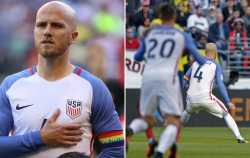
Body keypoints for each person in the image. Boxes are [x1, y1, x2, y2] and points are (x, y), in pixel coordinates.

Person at [0, 1, 124, 158]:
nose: (47, 31)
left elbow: (116, 150)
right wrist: (40, 138)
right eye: (41, 25)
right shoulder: (10, 85)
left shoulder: (94, 87)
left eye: (57, 26)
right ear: (34, 32)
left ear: (73, 36)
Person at [126, 4, 206, 158]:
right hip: (169, 78)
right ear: (175, 18)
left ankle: (130, 130)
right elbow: (201, 60)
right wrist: (184, 51)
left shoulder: (151, 34)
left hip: (148, 77)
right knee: (174, 122)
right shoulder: (180, 34)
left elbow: (137, 57)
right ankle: (160, 153)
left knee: (145, 120)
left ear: (160, 17)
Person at [180, 43, 249, 144]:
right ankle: (239, 138)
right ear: (216, 54)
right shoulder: (216, 65)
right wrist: (228, 101)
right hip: (205, 97)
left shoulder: (195, 63)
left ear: (205, 52)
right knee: (226, 114)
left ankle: (173, 134)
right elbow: (221, 84)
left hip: (190, 98)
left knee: (187, 112)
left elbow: (184, 80)